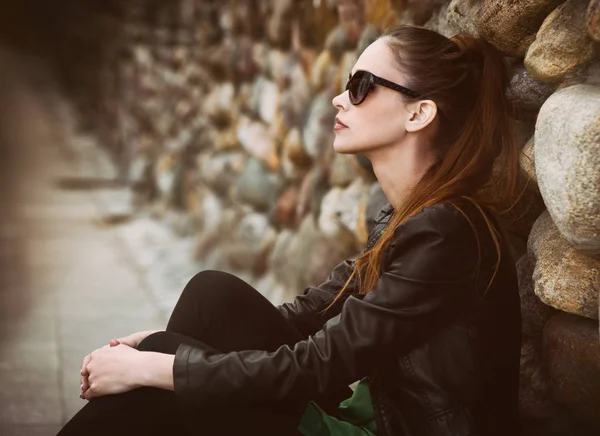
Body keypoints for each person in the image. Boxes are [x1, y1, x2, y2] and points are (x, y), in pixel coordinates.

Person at [58, 25, 523, 436]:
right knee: (211, 298)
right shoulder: (410, 217)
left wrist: (157, 367)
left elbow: (319, 365)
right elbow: (309, 315)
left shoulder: (447, 232)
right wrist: (148, 353)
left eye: (362, 86)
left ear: (418, 114)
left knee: (164, 371)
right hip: (369, 411)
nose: (340, 98)